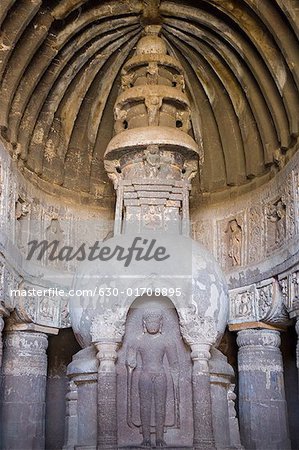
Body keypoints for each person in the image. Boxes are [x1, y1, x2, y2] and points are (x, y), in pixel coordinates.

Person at [126, 311, 179, 447]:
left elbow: (174, 362)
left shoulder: (166, 340)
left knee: (160, 407)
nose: (153, 325)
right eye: (150, 323)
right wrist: (130, 361)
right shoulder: (138, 340)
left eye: (156, 323)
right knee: (145, 407)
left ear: (160, 324)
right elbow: (130, 359)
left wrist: (175, 374)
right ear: (144, 324)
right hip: (144, 375)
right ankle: (146, 438)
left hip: (161, 374)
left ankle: (160, 438)